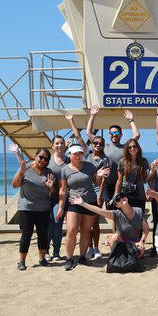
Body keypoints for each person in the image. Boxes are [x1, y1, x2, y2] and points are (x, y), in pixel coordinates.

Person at [57, 144, 110, 270]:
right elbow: (63, 190)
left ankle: (82, 257)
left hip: (89, 202)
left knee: (86, 231)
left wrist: (100, 175)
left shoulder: (89, 166)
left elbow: (96, 182)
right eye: (75, 153)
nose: (78, 155)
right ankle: (69, 258)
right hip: (73, 202)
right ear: (69, 154)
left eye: (80, 153)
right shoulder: (64, 170)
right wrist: (60, 207)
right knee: (71, 230)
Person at [65, 113, 110, 260]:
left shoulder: (105, 159)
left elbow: (101, 181)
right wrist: (72, 120)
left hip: (97, 191)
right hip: (83, 188)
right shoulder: (87, 154)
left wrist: (100, 196)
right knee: (79, 227)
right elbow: (79, 137)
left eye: (100, 144)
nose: (98, 145)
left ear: (103, 145)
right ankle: (86, 249)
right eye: (95, 143)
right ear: (91, 145)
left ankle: (95, 248)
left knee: (94, 223)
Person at [86, 104, 140, 207]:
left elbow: (136, 135)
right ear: (109, 134)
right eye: (112, 133)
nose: (114, 135)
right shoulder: (103, 146)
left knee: (123, 209)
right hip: (107, 184)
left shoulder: (125, 147)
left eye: (117, 133)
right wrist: (92, 116)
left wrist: (131, 120)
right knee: (111, 210)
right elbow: (88, 133)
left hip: (122, 184)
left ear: (121, 135)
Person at [68, 193, 149, 260]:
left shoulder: (138, 211)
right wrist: (82, 203)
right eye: (118, 199)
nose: (121, 199)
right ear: (117, 205)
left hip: (135, 243)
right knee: (115, 237)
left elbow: (146, 230)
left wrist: (141, 241)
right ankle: (118, 255)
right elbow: (100, 211)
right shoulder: (116, 214)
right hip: (122, 244)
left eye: (122, 196)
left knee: (140, 251)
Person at [11, 147, 55, 270]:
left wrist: (50, 187)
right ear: (35, 157)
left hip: (43, 209)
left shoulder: (49, 172)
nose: (43, 160)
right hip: (26, 209)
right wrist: (21, 172)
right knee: (26, 234)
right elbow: (15, 184)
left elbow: (53, 191)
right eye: (41, 157)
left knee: (42, 235)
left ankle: (42, 259)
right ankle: (21, 261)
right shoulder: (26, 168)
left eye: (46, 159)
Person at [47, 135, 68, 261]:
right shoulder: (48, 161)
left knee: (57, 223)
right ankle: (46, 251)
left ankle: (56, 252)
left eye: (61, 143)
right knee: (47, 226)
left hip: (62, 198)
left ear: (65, 145)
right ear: (52, 146)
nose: (59, 145)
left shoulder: (69, 160)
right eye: (57, 143)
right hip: (47, 198)